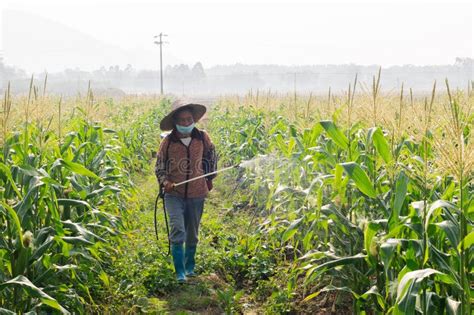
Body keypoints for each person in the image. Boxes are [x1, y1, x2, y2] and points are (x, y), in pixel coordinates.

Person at [154, 99, 217, 282]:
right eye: (181, 120)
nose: (185, 123)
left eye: (188, 119)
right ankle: (180, 272)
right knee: (178, 229)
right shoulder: (168, 142)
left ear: (193, 119)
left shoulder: (202, 137)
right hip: (174, 194)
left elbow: (210, 158)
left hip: (197, 193)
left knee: (192, 232)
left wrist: (209, 178)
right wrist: (165, 181)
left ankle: (190, 267)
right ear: (175, 122)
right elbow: (159, 167)